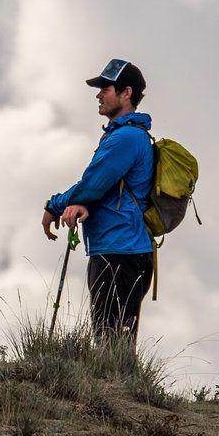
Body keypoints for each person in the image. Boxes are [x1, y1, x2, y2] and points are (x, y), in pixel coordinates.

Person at [41, 58, 154, 344]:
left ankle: (120, 389)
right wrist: (83, 203)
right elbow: (100, 189)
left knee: (111, 343)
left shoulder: (126, 138)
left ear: (126, 93)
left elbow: (92, 184)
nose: (99, 94)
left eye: (106, 87)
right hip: (121, 249)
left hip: (120, 252)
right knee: (113, 342)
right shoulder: (126, 135)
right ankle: (122, 387)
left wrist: (53, 205)